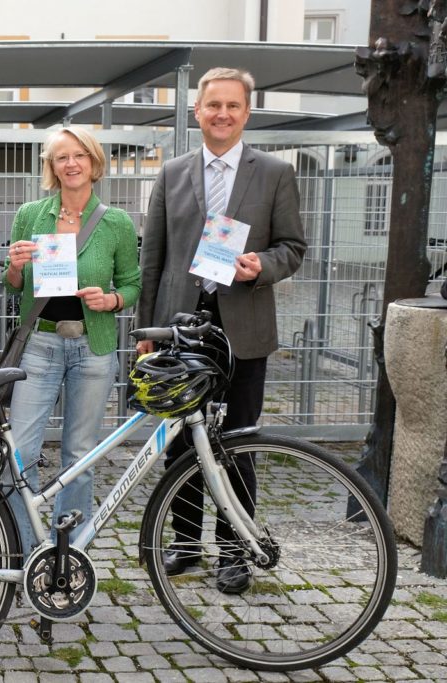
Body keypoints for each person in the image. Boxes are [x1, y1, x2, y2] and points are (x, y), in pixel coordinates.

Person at [135, 67, 306, 594]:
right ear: (197, 111)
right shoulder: (172, 172)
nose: (222, 114)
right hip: (183, 328)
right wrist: (148, 329)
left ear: (246, 112)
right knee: (181, 444)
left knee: (237, 443)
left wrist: (263, 266)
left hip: (245, 327)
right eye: (213, 105)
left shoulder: (274, 172)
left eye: (233, 106)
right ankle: (185, 543)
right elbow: (154, 256)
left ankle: (235, 549)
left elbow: (293, 248)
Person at [2, 126, 142, 556]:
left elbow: (133, 284)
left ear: (94, 162)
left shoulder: (117, 222)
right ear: (52, 166)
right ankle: (22, 550)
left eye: (80, 155)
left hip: (92, 347)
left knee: (78, 457)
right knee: (20, 454)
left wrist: (112, 300)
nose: (72, 163)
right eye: (62, 157)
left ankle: (69, 552)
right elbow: (13, 288)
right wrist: (14, 266)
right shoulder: (30, 214)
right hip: (40, 345)